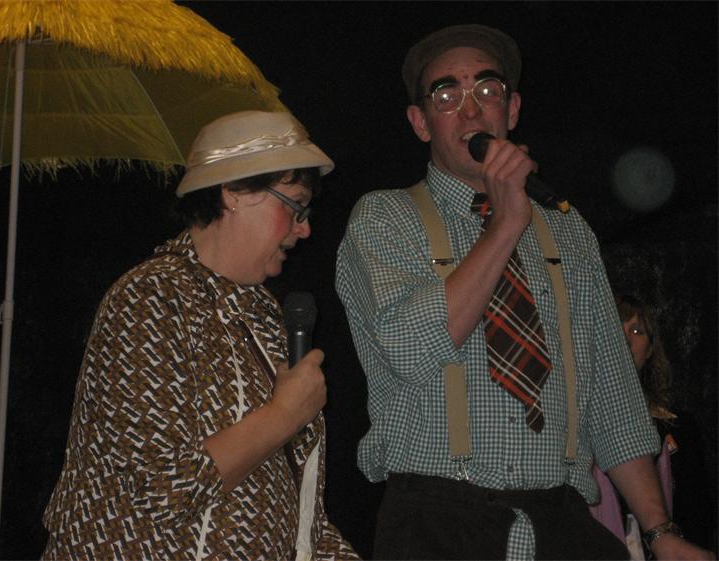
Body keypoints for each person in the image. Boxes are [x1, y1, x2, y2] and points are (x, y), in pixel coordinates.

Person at [335, 24, 715, 560]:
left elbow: (613, 395)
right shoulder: (385, 217)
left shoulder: (568, 230)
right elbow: (409, 348)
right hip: (436, 519)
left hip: (559, 517)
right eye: (446, 95)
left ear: (511, 110)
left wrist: (660, 533)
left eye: (487, 90)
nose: (470, 109)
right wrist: (507, 222)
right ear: (420, 122)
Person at [42, 110, 359, 560]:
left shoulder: (264, 316)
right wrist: (284, 415)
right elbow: (164, 489)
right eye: (294, 205)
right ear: (234, 192)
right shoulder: (149, 297)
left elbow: (300, 517)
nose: (304, 228)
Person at [590, 293, 717, 557]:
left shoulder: (678, 428)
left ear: (650, 351)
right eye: (616, 326)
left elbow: (698, 514)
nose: (625, 339)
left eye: (637, 331)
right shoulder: (576, 422)